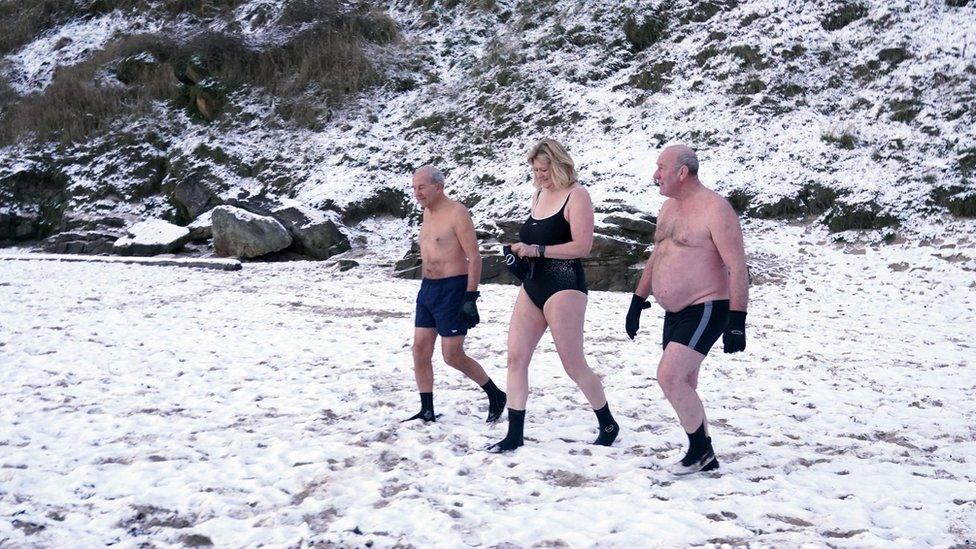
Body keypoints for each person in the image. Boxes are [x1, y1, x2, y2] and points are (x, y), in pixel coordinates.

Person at [489, 139, 620, 452]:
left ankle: (607, 422)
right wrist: (520, 252)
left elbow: (583, 246)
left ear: (559, 166)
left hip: (565, 285)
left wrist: (540, 250)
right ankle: (514, 434)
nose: (540, 176)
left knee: (572, 363)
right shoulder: (537, 194)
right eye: (535, 170)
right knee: (516, 357)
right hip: (533, 285)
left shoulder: (578, 195)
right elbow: (533, 238)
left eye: (544, 170)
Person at [625, 144, 749, 475]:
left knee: (669, 376)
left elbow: (737, 267)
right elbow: (658, 254)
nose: (655, 175)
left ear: (682, 172)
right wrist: (638, 300)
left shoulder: (715, 210)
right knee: (685, 384)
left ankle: (700, 451)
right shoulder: (668, 208)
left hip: (707, 305)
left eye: (660, 168)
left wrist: (737, 321)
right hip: (674, 311)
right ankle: (705, 458)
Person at [404, 165, 506, 423]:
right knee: (419, 349)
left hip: (453, 289)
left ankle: (495, 394)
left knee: (452, 355)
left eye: (422, 187)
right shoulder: (427, 213)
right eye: (414, 188)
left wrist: (470, 297)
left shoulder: (457, 212)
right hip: (427, 289)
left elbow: (474, 256)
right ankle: (426, 409)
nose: (417, 193)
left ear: (439, 186)